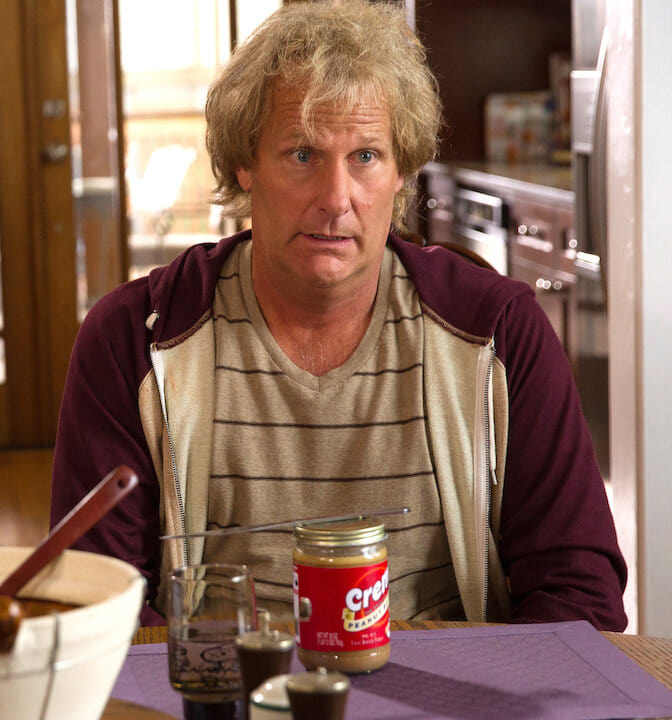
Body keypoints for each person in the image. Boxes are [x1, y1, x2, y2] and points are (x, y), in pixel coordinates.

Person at [50, 0, 626, 631]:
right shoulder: (132, 341)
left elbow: (579, 594)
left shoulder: (501, 333)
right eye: (302, 154)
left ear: (401, 170)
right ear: (246, 164)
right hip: (225, 680)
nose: (335, 199)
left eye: (366, 156)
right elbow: (96, 603)